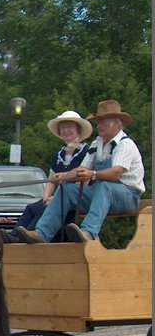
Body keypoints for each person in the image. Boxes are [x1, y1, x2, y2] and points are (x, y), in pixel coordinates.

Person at [16, 100, 145, 244]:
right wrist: (65, 176)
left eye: (102, 122)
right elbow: (81, 170)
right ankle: (42, 233)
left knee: (104, 186)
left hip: (128, 196)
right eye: (98, 122)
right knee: (67, 189)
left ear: (115, 122)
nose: (98, 125)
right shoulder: (97, 144)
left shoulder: (125, 144)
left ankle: (88, 232)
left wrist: (93, 174)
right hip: (101, 193)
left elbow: (115, 173)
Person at [1, 110, 93, 243]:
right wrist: (46, 197)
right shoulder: (59, 154)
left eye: (69, 126)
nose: (66, 130)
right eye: (63, 127)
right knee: (31, 208)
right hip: (56, 198)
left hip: (73, 200)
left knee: (44, 209)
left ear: (78, 129)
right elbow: (51, 180)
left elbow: (84, 180)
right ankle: (14, 236)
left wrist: (55, 199)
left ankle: (30, 239)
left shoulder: (86, 152)